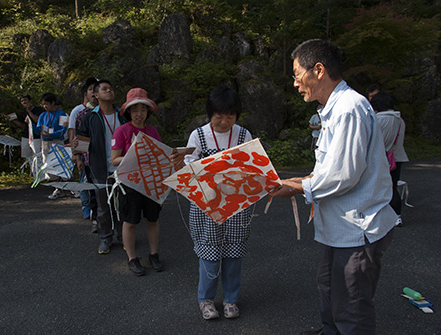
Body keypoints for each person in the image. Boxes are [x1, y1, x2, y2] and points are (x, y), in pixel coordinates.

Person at [270, 39, 397, 335]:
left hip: (356, 230)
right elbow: (329, 170)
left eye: (297, 74)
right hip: (339, 230)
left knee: (351, 307)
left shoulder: (349, 108)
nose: (295, 83)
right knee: (329, 290)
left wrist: (296, 188)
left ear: (318, 70)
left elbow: (342, 175)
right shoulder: (333, 109)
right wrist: (292, 181)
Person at [171, 87, 253, 320]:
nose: (225, 121)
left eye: (230, 115)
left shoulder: (243, 135)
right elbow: (188, 170)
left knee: (234, 253)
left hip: (236, 205)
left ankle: (230, 300)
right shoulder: (198, 135)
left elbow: (251, 167)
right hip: (205, 205)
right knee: (209, 253)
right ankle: (205, 300)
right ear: (210, 113)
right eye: (219, 115)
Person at [111, 88, 163, 276]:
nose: (139, 114)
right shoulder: (121, 131)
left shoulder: (152, 131)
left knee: (153, 219)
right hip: (130, 183)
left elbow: (160, 156)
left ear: (148, 111)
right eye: (134, 110)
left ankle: (154, 254)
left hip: (151, 182)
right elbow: (114, 160)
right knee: (130, 221)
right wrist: (133, 153)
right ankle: (132, 258)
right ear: (128, 112)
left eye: (143, 109)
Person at [76, 79, 124, 252]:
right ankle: (105, 237)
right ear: (95, 95)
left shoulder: (122, 114)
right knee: (103, 206)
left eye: (111, 88)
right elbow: (81, 138)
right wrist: (79, 157)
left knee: (120, 204)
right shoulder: (90, 117)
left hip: (121, 168)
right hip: (99, 167)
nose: (109, 91)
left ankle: (123, 236)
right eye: (104, 89)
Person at [371, 92, 409, 226]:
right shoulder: (399, 120)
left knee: (377, 188)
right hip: (396, 158)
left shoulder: (377, 120)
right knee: (393, 187)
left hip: (381, 158)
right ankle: (397, 216)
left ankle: (380, 216)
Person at [69, 77, 99, 220]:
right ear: (85, 93)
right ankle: (88, 209)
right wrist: (78, 156)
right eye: (91, 89)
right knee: (87, 185)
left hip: (107, 158)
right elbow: (77, 134)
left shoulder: (111, 111)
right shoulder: (81, 113)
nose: (94, 92)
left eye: (97, 88)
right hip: (88, 158)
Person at [35, 92, 68, 200]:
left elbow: (63, 130)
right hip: (46, 142)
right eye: (43, 104)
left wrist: (52, 134)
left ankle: (71, 187)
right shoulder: (43, 115)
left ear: (53, 103)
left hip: (57, 141)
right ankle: (57, 188)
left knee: (62, 164)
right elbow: (39, 128)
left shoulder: (62, 114)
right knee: (49, 166)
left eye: (47, 104)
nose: (45, 106)